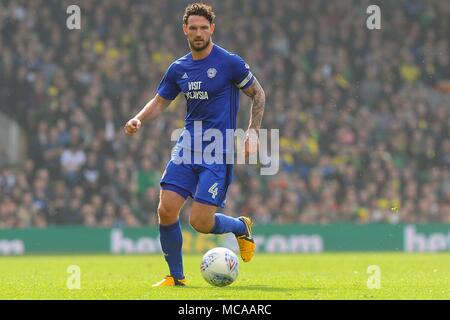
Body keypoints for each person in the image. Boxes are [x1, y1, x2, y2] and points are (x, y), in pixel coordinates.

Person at [124, 3, 266, 287]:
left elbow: (257, 93)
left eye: (204, 28)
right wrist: (138, 119)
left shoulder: (229, 62)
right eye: (193, 28)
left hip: (218, 149)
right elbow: (161, 101)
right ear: (185, 30)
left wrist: (253, 132)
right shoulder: (179, 68)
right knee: (166, 209)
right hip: (187, 146)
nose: (199, 33)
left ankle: (240, 226)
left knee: (200, 222)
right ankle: (176, 278)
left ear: (212, 29)